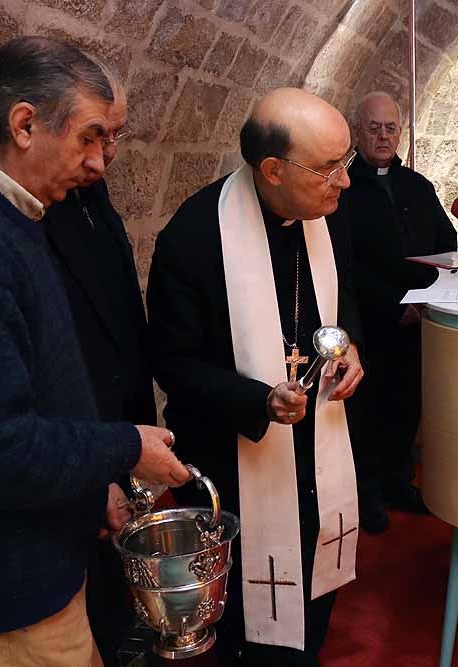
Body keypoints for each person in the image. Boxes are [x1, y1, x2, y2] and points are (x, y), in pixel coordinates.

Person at [0, 36, 189, 667]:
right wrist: (124, 449)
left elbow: (40, 389)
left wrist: (94, 488)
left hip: (33, 570)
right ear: (26, 124)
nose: (100, 162)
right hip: (1, 594)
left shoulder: (6, 216)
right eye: (89, 136)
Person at [147, 88, 364, 667]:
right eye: (329, 168)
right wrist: (259, 400)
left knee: (313, 582)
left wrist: (350, 348)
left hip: (317, 446)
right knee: (252, 619)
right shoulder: (193, 239)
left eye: (347, 161)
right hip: (235, 459)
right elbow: (173, 363)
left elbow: (345, 303)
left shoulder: (327, 216)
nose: (345, 180)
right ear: (272, 170)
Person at [41, 72, 153, 665]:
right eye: (93, 136)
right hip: (81, 432)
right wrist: (101, 465)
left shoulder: (90, 194)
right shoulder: (31, 213)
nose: (104, 158)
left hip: (117, 415)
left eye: (115, 137)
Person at [340, 91, 457, 533]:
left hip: (419, 322)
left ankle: (398, 481)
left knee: (409, 406)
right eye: (375, 128)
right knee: (370, 411)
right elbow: (343, 264)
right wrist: (395, 305)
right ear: (358, 131)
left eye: (391, 128)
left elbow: (445, 246)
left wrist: (427, 298)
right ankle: (367, 489)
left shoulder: (419, 187)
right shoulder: (345, 189)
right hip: (372, 324)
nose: (384, 136)